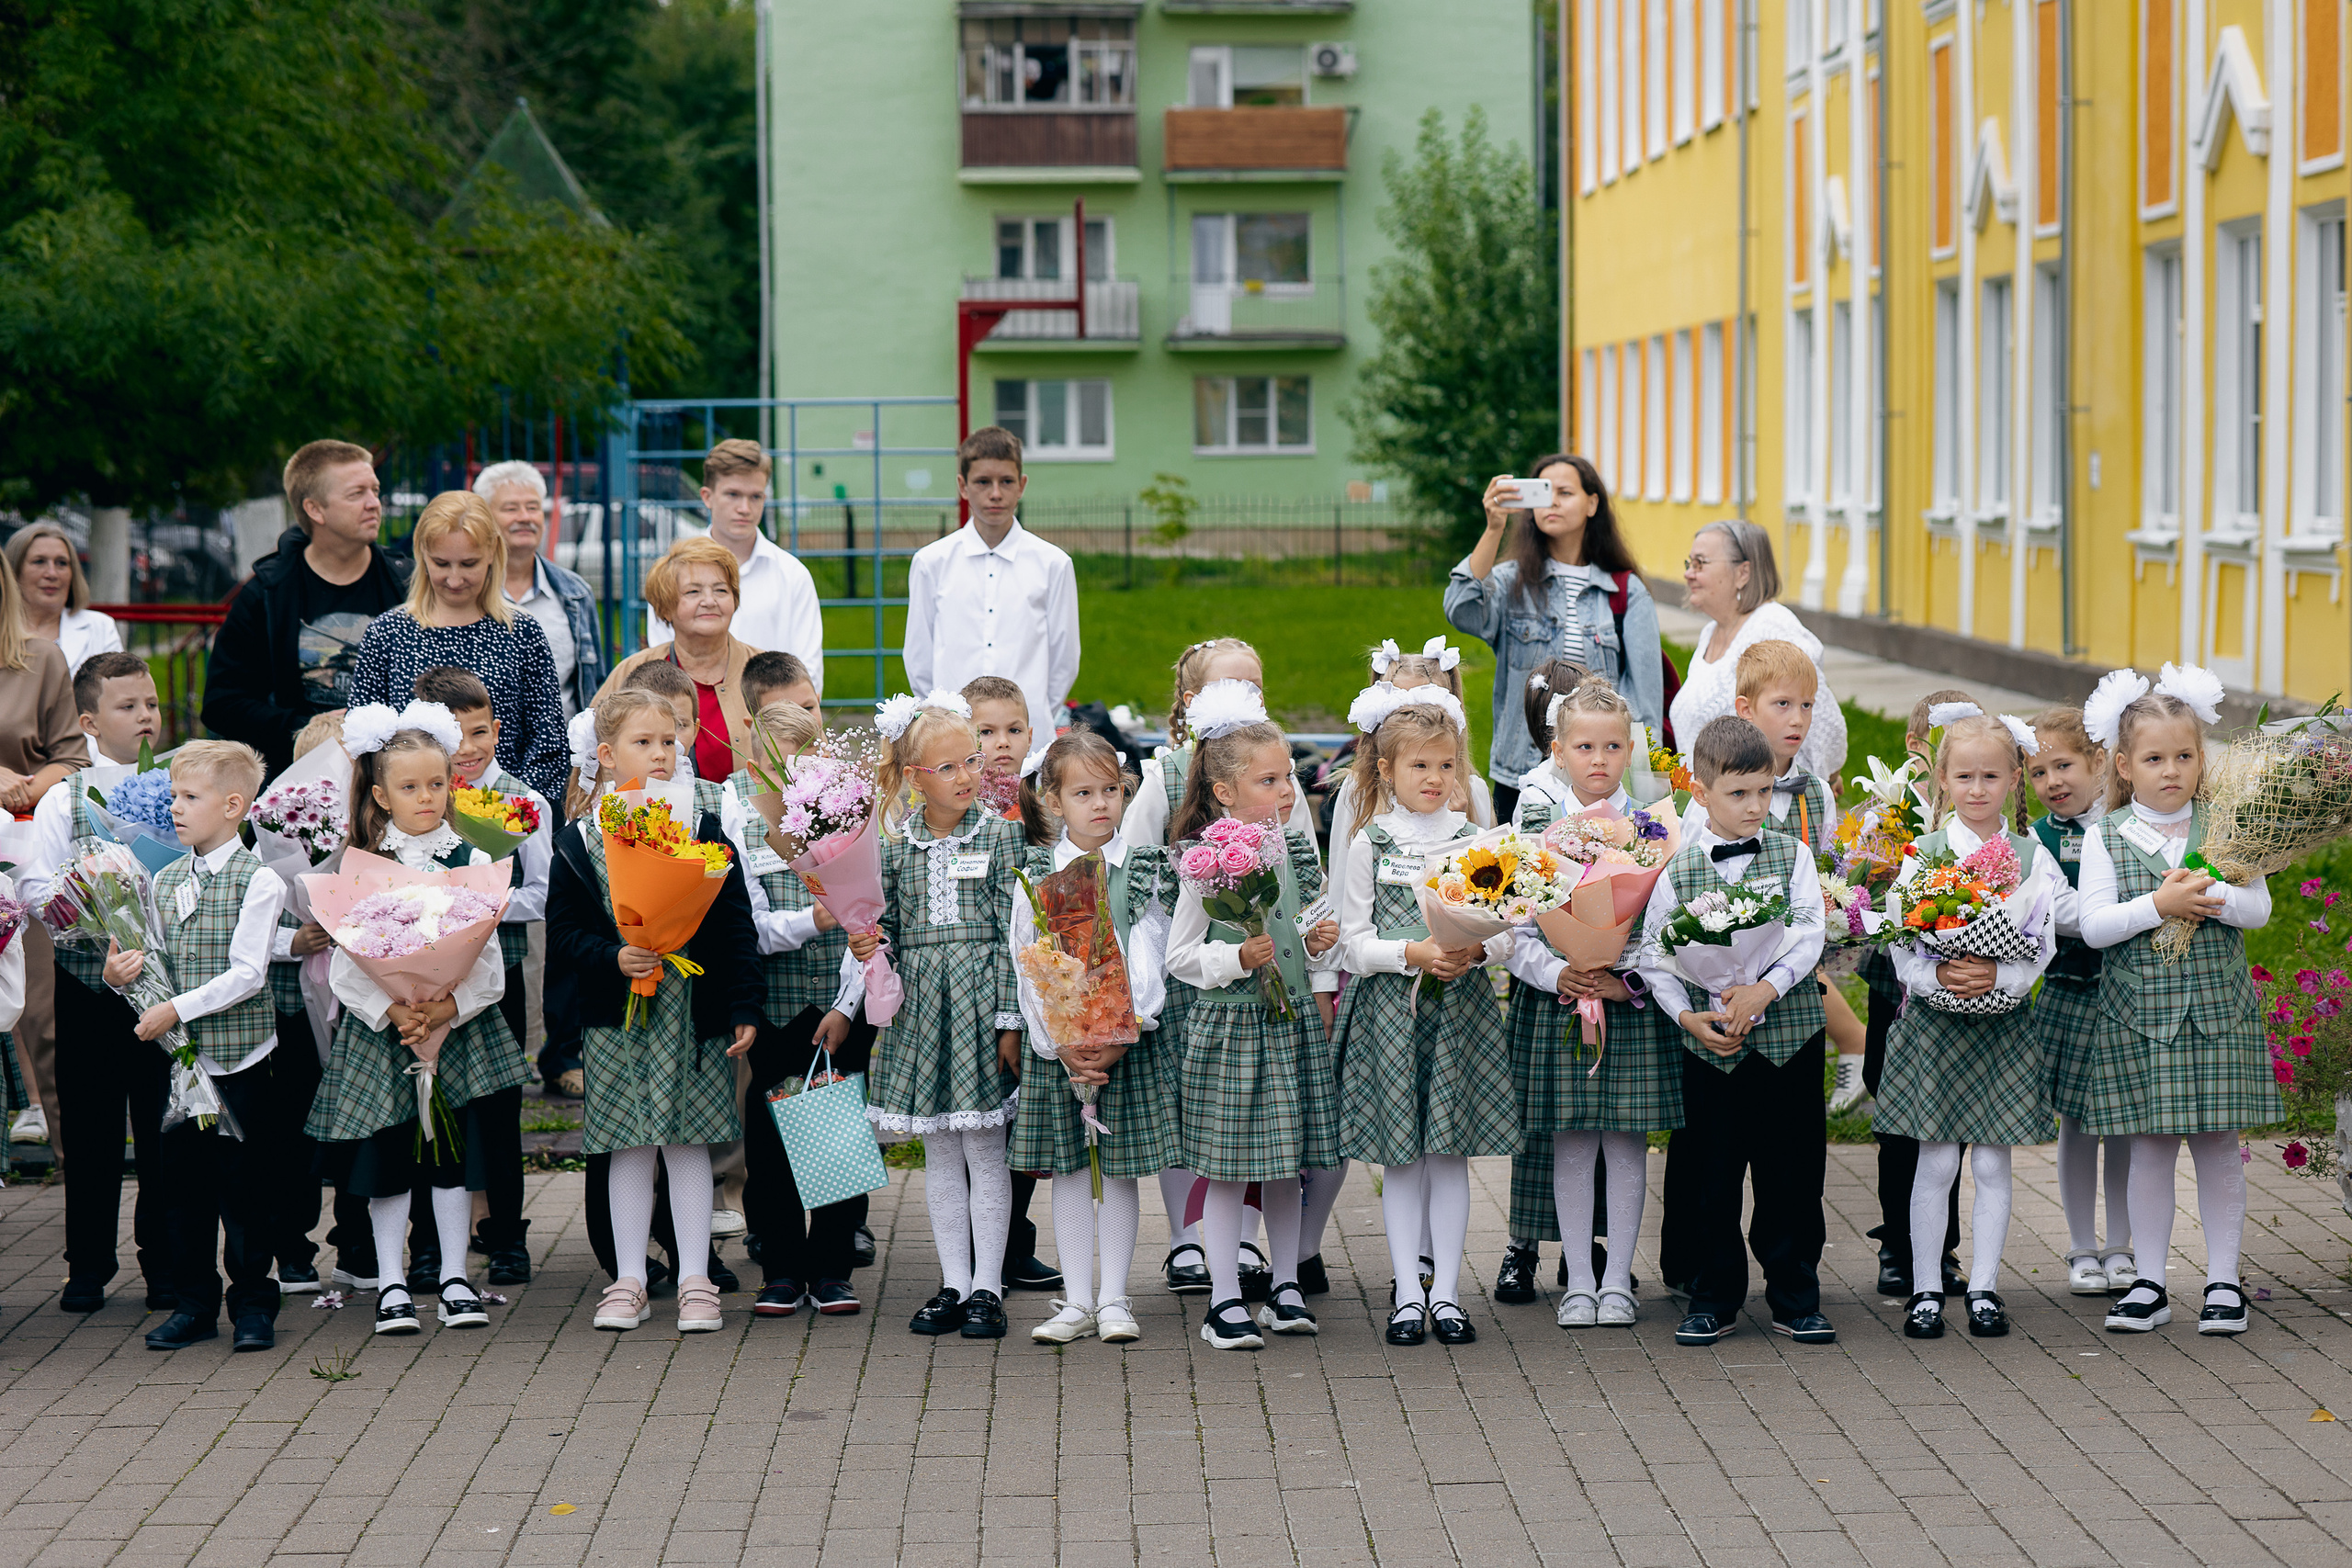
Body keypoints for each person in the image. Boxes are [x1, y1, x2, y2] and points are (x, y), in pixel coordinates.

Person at [307, 702, 532, 1337]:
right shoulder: (363, 862)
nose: (426, 796)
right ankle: (392, 1281)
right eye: (409, 786)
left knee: (450, 1157)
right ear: (381, 793)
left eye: (437, 783)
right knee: (389, 1160)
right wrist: (394, 1008)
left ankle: (457, 1276)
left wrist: (446, 1007)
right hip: (386, 1035)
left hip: (454, 1031)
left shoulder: (470, 855)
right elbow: (349, 959)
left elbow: (486, 956)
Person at [548, 687, 762, 1337]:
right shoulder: (581, 838)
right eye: (644, 742)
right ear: (608, 755)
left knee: (689, 1140)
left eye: (670, 740)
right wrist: (613, 955)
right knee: (628, 1145)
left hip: (690, 1011)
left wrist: (743, 1001)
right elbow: (563, 933)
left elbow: (732, 922)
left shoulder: (700, 821)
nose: (662, 753)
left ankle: (697, 1275)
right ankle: (630, 1278)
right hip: (619, 1017)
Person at [2076, 665, 2271, 1336]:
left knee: (2218, 1143)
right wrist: (2159, 903)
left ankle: (2222, 1282)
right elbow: (2096, 925)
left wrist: (2212, 897)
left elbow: (2259, 911)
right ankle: (2150, 1283)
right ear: (2125, 766)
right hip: (2142, 1018)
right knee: (2151, 1148)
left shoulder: (2230, 826)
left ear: (2201, 758)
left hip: (2219, 1013)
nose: (2171, 769)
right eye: (2155, 758)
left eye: (2184, 755)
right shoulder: (2109, 834)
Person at [1637, 716, 1834, 1348]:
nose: (1754, 806)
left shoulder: (1793, 854)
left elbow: (1807, 931)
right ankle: (1712, 1293)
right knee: (1710, 1176)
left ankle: (1795, 1291)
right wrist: (1686, 1016)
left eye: (1763, 791)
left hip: (1787, 1042)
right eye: (1738, 793)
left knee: (1792, 1172)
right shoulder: (1679, 870)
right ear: (1701, 792)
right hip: (1710, 1045)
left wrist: (1764, 989)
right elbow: (1655, 956)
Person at [1332, 685, 1516, 1348]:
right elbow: (1354, 940)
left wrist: (1475, 945)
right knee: (1402, 1160)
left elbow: (1507, 933)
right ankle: (1407, 1290)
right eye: (1420, 766)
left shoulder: (1477, 840)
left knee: (1448, 1153)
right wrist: (1412, 950)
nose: (1435, 778)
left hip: (1459, 1011)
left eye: (1446, 766)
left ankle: (1447, 1293)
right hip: (1394, 1014)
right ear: (1386, 770)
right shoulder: (1370, 843)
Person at [1162, 683, 1341, 1351]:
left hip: (1288, 1022)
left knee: (1286, 1160)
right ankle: (1224, 1298)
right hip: (1234, 1028)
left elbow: (1310, 923)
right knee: (1231, 1163)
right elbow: (1181, 955)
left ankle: (1287, 1282)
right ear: (1226, 792)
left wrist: (1318, 941)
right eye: (1269, 779)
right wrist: (1235, 956)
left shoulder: (1296, 846)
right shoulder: (1203, 862)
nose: (1287, 789)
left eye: (1290, 774)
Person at [1875, 712, 2062, 1340]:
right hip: (1934, 1020)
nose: (1977, 788)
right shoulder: (1923, 856)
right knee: (1934, 1161)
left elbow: (2042, 941)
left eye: (1990, 775)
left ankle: (1983, 1287)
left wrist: (2000, 981)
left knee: (1991, 1164)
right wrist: (1938, 979)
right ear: (1943, 783)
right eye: (1964, 775)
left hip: (2002, 1022)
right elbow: (1903, 938)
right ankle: (1927, 1287)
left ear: (2014, 779)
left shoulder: (2032, 857)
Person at [846, 692, 1027, 1340]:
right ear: (915, 776)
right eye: (947, 767)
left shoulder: (1004, 835)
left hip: (981, 1002)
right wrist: (869, 941)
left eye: (972, 761)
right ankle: (954, 1279)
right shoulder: (895, 845)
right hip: (924, 1007)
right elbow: (886, 921)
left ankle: (989, 1285)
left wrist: (1010, 1018)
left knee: (985, 1146)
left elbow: (1017, 930)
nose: (966, 776)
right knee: (941, 1150)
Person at [1499, 673, 1674, 1328]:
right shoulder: (1538, 824)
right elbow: (1515, 921)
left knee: (1626, 1142)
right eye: (1584, 747)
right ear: (1558, 751)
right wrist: (1558, 972)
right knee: (1571, 1140)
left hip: (1625, 1007)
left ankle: (1618, 1280)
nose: (1598, 760)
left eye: (1612, 746)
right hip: (1561, 1001)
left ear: (1631, 750)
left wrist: (1622, 978)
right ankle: (1578, 1278)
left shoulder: (1652, 827)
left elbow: (1660, 923)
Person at [109, 741, 289, 1351]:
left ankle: (254, 1303)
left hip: (240, 1063)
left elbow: (248, 973)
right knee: (181, 1192)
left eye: (190, 797)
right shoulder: (163, 879)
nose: (176, 808)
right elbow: (156, 959)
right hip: (181, 1070)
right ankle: (193, 1303)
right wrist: (123, 975)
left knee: (245, 1190)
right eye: (174, 796)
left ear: (233, 804)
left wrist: (175, 1009)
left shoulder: (259, 879)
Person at [1012, 732, 1171, 1346]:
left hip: (1124, 1046)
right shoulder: (1036, 874)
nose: (1101, 804)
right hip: (1063, 1052)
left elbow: (1150, 955)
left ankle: (1114, 1298)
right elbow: (1027, 962)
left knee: (1120, 1169)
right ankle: (1077, 1298)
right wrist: (1061, 1042)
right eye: (1084, 792)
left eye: (1111, 789)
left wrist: (1121, 1033)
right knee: (1073, 1170)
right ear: (1054, 799)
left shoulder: (1141, 868)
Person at [14, 652, 157, 1312]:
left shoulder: (177, 782)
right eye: (129, 707)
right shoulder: (64, 797)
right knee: (94, 1125)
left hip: (160, 984)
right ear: (90, 721)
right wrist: (87, 904)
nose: (147, 717)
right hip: (86, 983)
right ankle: (88, 1264)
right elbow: (35, 883)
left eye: (152, 704)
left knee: (162, 1126)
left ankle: (165, 1257)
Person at [726, 702, 869, 1318]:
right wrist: (812, 919)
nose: (789, 775)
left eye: (804, 761)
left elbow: (867, 920)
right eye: (777, 762)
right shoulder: (737, 817)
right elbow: (747, 927)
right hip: (775, 1003)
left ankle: (831, 1266)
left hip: (840, 1002)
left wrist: (843, 1005)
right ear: (755, 761)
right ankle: (781, 1266)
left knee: (837, 1129)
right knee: (772, 1138)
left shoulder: (848, 813)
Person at [417, 664, 547, 1287]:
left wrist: (480, 900)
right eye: (452, 739)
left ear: (496, 728)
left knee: (498, 1101)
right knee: (428, 1096)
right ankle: (429, 1237)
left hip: (500, 975)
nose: (467, 750)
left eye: (478, 733)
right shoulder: (418, 795)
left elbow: (541, 893)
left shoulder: (525, 803)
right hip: (424, 980)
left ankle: (506, 1233)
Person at [1445, 455, 1663, 823]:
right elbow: (1461, 607)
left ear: (1592, 503)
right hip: (1521, 769)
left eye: (1565, 492)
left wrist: (1647, 794)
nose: (1553, 502)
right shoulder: (1514, 581)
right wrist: (1494, 528)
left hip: (1601, 776)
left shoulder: (1624, 591)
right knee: (1529, 877)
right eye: (1544, 494)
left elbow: (1644, 704)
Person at [203, 439, 413, 778]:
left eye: (375, 490)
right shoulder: (266, 594)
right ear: (315, 510)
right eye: (356, 494)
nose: (374, 503)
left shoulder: (408, 585)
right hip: (296, 789)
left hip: (395, 782)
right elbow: (222, 704)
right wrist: (305, 728)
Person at [1858, 691, 1972, 1299]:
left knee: (1948, 1121)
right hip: (1896, 989)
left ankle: (1942, 1246)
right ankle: (1897, 1246)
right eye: (1944, 743)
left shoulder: (1977, 826)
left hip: (1960, 989)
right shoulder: (1888, 817)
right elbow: (1859, 893)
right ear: (1916, 750)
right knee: (1898, 1115)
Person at [346, 491, 567, 800]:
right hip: (411, 819)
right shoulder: (388, 632)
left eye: (468, 564)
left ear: (492, 552)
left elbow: (547, 740)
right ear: (422, 554)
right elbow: (364, 741)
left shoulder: (521, 631)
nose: (454, 578)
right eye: (441, 563)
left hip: (506, 817)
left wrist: (515, 809)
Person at [2029, 705, 2136, 1298]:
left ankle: (2122, 1244)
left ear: (2099, 760)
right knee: (2076, 1123)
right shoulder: (2040, 839)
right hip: (2070, 992)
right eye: (2039, 773)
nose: (2054, 783)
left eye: (2065, 765)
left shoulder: (2126, 824)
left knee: (2121, 1122)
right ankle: (2080, 1247)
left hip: (2125, 991)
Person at [963, 673, 1061, 1293]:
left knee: (1023, 1118)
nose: (1003, 743)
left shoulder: (1040, 810)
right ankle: (978, 1249)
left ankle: (1012, 1238)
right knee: (974, 1120)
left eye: (1015, 729)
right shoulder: (954, 808)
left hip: (1027, 987)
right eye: (986, 731)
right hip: (968, 985)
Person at [902, 426, 1080, 750]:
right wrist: (944, 715)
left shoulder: (1053, 564)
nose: (995, 493)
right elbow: (918, 656)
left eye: (1006, 482)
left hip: (1025, 737)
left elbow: (1064, 657)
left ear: (1021, 485)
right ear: (963, 486)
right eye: (983, 482)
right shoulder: (932, 562)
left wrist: (1031, 715)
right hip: (953, 736)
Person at [0, 555, 87, 1149]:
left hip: (22, 848)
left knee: (39, 1011)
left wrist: (29, 784)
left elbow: (73, 753)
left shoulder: (40, 658)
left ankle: (63, 1155)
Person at [1668, 521, 1848, 784]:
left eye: (1700, 563)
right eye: (1689, 564)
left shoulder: (1773, 627)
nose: (1689, 574)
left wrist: (1811, 791)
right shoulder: (1711, 632)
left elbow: (1824, 725)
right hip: (1708, 807)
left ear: (1743, 572)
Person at [645, 439, 824, 687]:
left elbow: (808, 674)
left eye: (755, 497)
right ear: (707, 496)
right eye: (733, 494)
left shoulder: (792, 574)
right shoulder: (674, 572)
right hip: (692, 718)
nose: (744, 508)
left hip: (770, 721)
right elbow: (662, 664)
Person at [602, 538, 761, 784]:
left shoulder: (764, 669)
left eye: (721, 590)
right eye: (693, 592)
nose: (710, 601)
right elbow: (595, 758)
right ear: (666, 607)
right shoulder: (632, 672)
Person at [474, 460, 607, 718]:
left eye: (533, 507)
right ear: (485, 518)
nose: (524, 517)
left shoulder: (575, 594)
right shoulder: (467, 592)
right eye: (511, 508)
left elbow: (596, 686)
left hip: (563, 753)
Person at [6, 522, 122, 673]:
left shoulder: (100, 628)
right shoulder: (3, 627)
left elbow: (119, 692)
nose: (52, 574)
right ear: (13, 571)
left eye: (61, 563)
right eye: (39, 561)